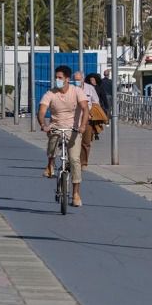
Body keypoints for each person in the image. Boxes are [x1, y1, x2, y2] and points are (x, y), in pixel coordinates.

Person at [38, 65, 89, 207]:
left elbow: (85, 109)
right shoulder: (50, 93)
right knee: (52, 147)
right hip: (55, 127)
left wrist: (83, 126)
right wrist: (43, 125)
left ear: (67, 79)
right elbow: (41, 111)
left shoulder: (77, 91)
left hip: (73, 129)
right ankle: (50, 165)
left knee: (74, 160)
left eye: (60, 78)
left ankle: (76, 194)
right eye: (56, 77)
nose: (57, 80)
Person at [79, 73, 106, 166]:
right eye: (75, 80)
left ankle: (83, 163)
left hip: (88, 118)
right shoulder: (71, 89)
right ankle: (73, 160)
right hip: (73, 119)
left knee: (86, 142)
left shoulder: (90, 88)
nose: (77, 81)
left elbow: (96, 102)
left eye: (79, 79)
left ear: (83, 79)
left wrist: (91, 112)